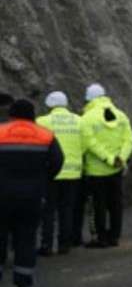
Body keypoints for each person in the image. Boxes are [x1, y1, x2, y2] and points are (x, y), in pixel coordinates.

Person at [0, 99, 64, 287]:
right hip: (32, 195)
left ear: (11, 114)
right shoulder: (45, 135)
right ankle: (23, 281)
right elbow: (57, 162)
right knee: (26, 237)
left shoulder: (1, 132)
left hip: (2, 194)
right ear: (33, 115)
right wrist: (43, 181)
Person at [80, 83, 132, 248]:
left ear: (88, 99)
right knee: (115, 204)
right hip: (116, 170)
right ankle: (114, 237)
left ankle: (100, 238)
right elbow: (130, 140)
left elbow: (89, 142)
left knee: (98, 205)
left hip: (96, 171)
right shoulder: (121, 115)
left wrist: (108, 158)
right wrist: (120, 159)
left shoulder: (87, 118)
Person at [36, 92, 83, 256]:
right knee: (67, 209)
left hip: (50, 172)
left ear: (49, 105)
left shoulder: (41, 121)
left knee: (48, 211)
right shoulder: (79, 120)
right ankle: (64, 244)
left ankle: (46, 245)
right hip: (73, 172)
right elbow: (84, 145)